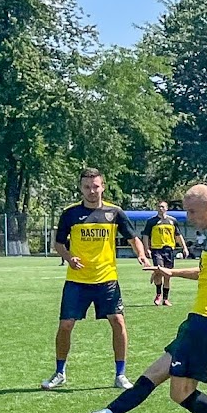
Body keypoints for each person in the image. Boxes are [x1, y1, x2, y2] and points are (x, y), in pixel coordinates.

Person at [71, 184, 207, 413]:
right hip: (199, 322)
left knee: (179, 392)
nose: (190, 218)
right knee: (155, 375)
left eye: (193, 212)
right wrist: (169, 271)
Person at [41, 168, 148, 391]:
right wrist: (69, 258)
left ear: (103, 186)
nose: (92, 191)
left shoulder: (114, 212)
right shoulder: (70, 214)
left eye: (96, 186)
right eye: (87, 187)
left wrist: (141, 254)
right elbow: (58, 244)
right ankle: (60, 372)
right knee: (65, 325)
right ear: (81, 188)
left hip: (107, 279)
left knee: (118, 322)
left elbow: (133, 237)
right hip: (77, 280)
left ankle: (120, 375)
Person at [142, 201, 189, 306]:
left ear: (166, 208)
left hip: (169, 250)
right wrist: (147, 248)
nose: (160, 208)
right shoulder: (151, 221)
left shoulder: (172, 221)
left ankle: (166, 299)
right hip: (157, 249)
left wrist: (184, 247)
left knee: (168, 273)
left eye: (162, 206)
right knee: (159, 270)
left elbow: (178, 235)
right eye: (158, 206)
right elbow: (145, 236)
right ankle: (158, 295)